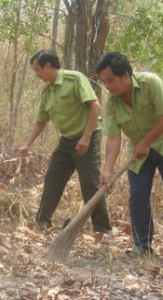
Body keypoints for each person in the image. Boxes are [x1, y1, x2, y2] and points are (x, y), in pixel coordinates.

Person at [96, 51, 163, 254]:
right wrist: (107, 170)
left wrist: (147, 141)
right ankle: (142, 244)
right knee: (138, 195)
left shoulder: (151, 83)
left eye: (111, 80)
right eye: (104, 82)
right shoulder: (111, 104)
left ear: (125, 75)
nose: (107, 86)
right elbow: (114, 138)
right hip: (138, 152)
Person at [19, 49, 112, 234]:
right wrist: (27, 144)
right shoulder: (47, 91)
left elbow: (95, 106)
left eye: (37, 69)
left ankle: (103, 229)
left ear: (48, 66)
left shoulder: (75, 79)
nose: (36, 74)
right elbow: (41, 121)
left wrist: (86, 138)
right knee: (53, 178)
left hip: (87, 137)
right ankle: (42, 222)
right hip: (66, 141)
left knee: (89, 183)